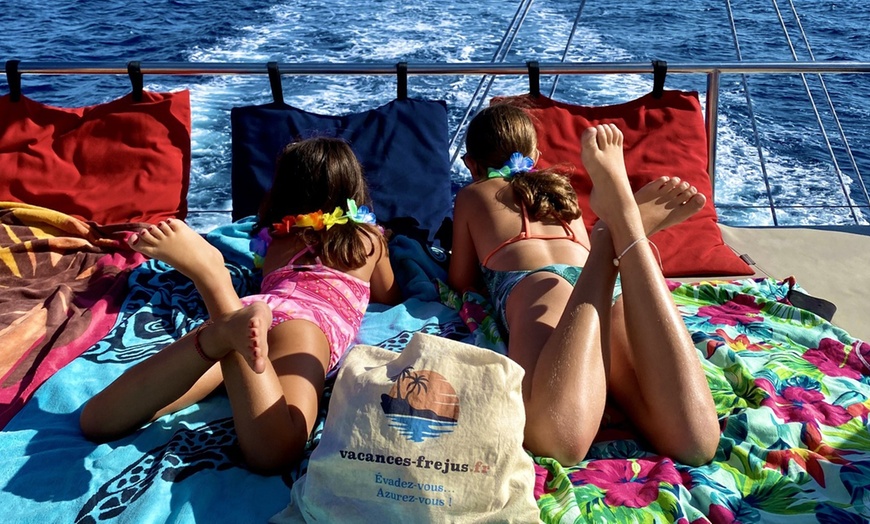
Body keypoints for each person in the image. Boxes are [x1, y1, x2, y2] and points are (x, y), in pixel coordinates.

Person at [80, 137, 401, 474]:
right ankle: (212, 278)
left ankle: (220, 318)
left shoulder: (276, 239)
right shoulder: (369, 238)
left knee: (98, 421)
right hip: (309, 321)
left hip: (256, 309)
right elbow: (388, 295)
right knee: (277, 449)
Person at [448, 104, 719, 467]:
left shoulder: (473, 194)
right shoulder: (560, 192)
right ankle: (618, 230)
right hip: (603, 285)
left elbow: (461, 280)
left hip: (538, 286)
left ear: (471, 164)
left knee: (557, 442)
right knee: (695, 444)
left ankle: (614, 232)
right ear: (536, 156)